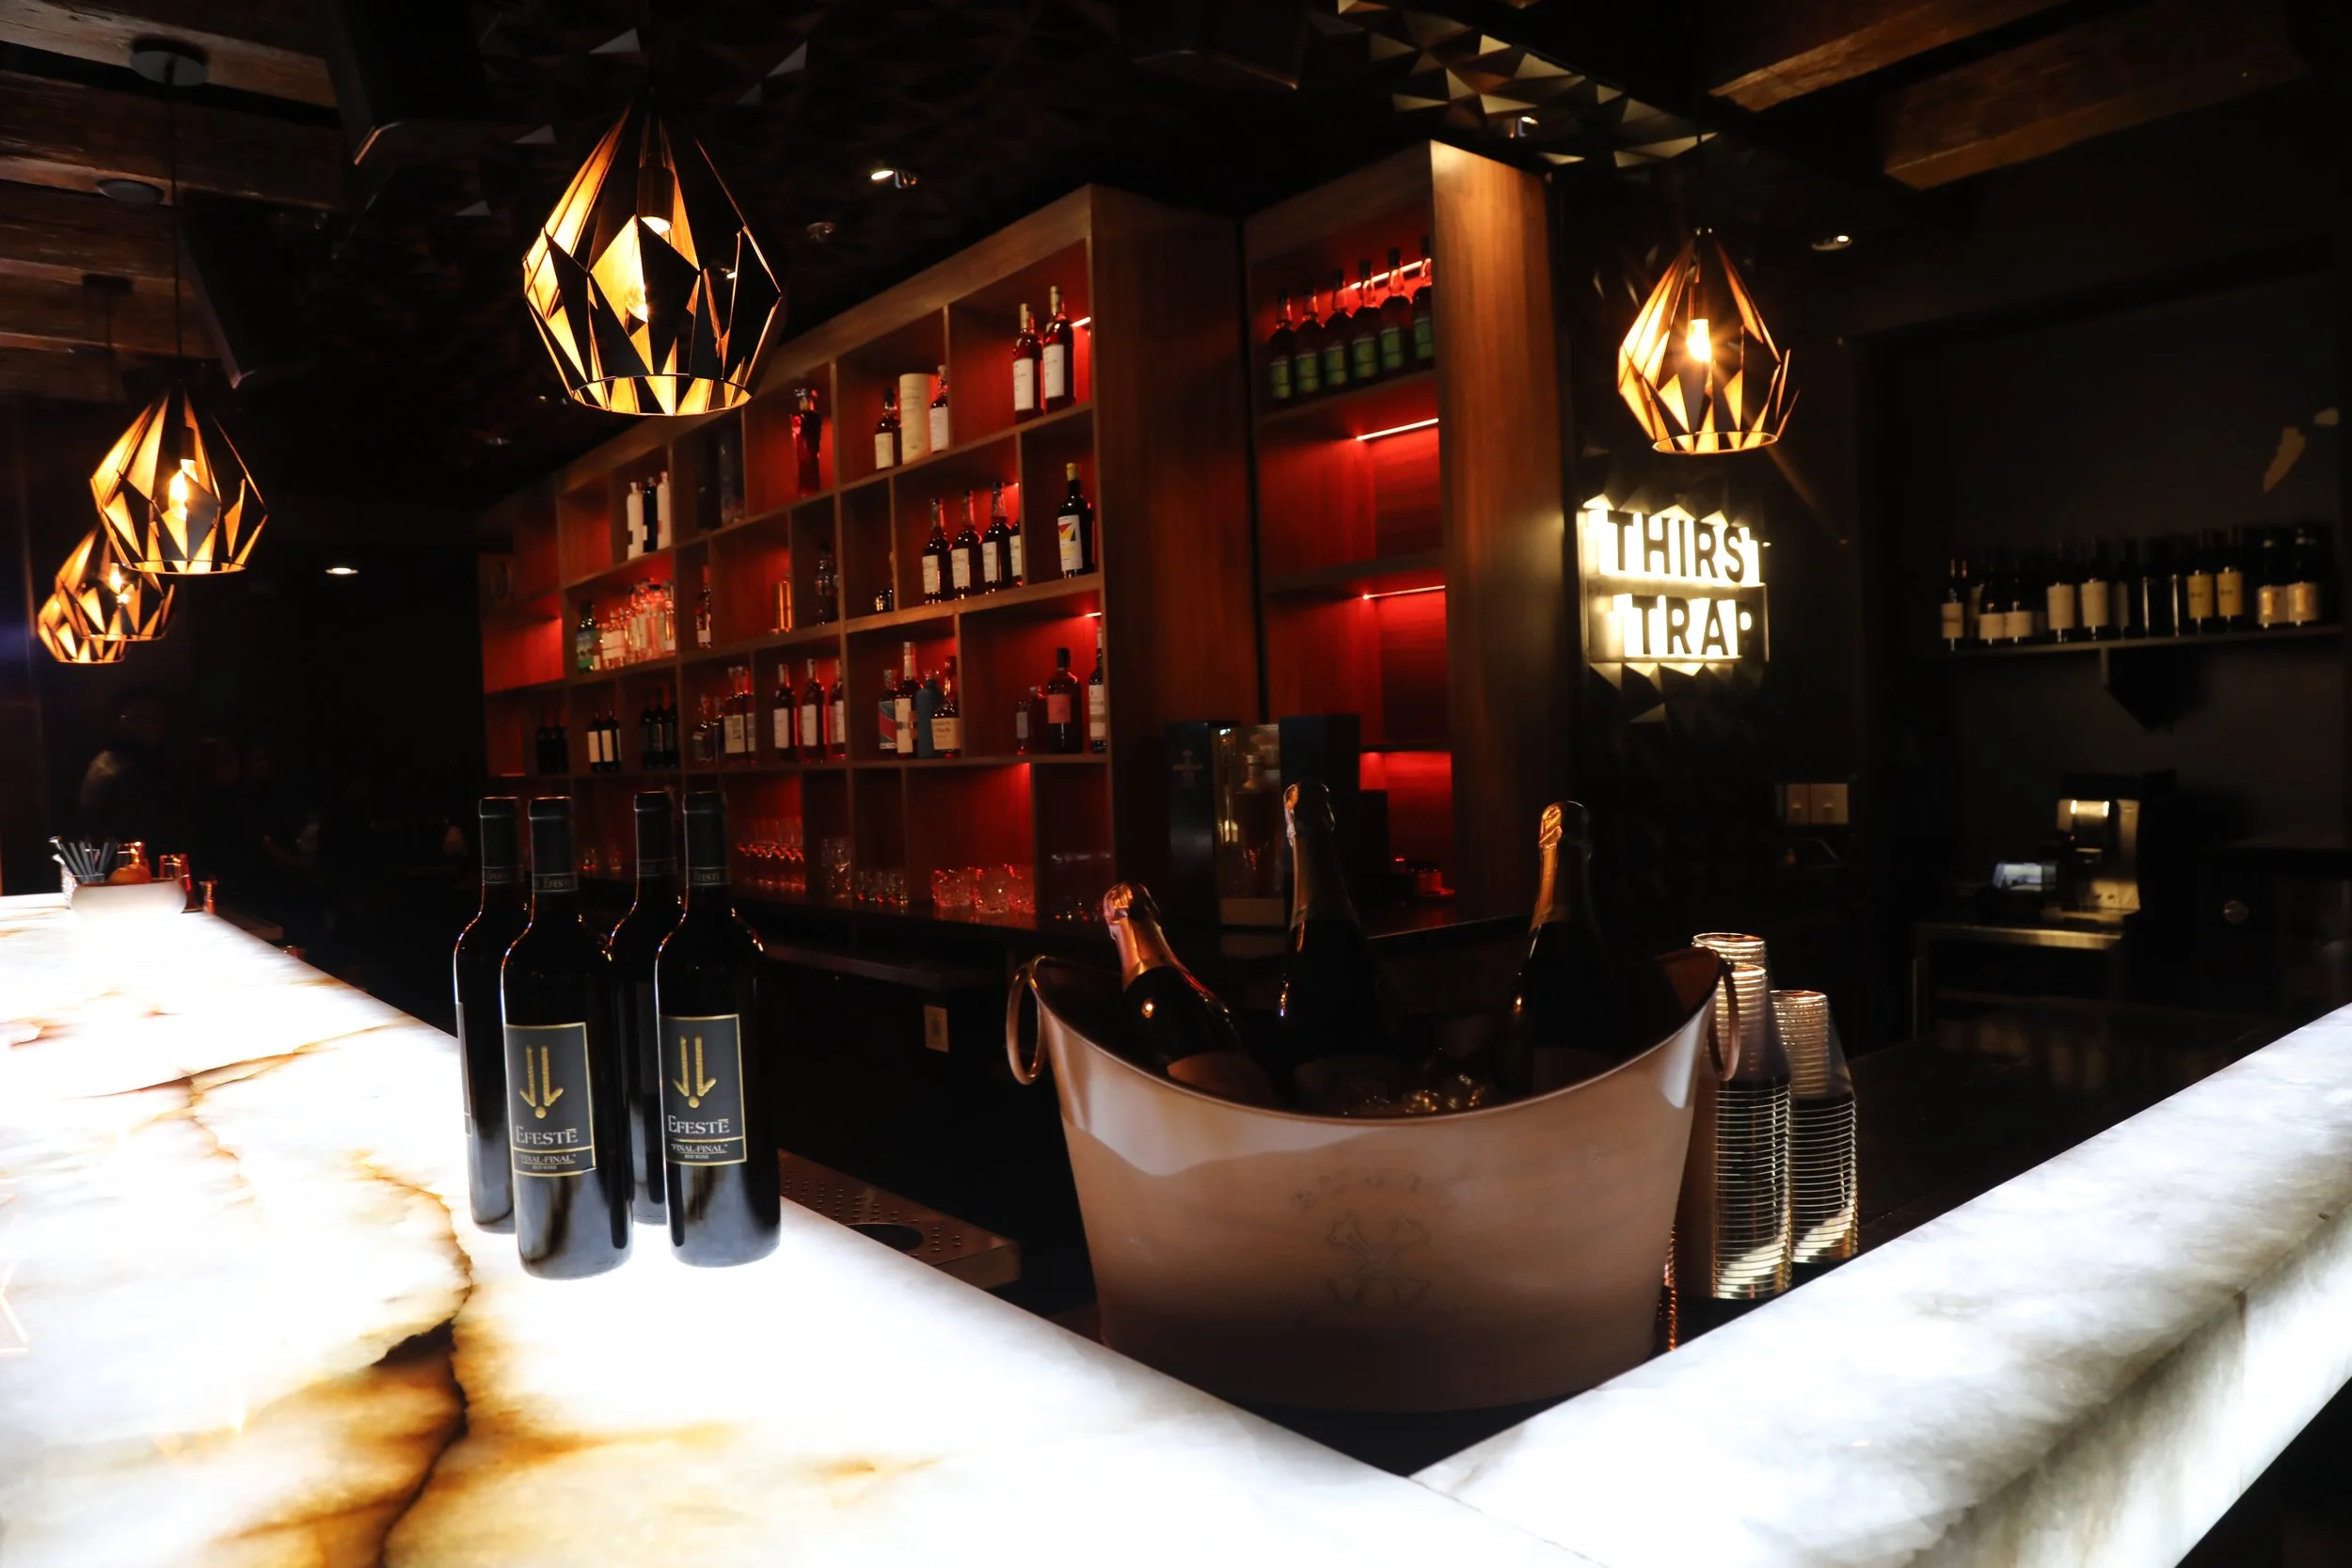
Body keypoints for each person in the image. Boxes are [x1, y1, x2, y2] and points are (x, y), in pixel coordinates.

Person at [78, 690, 180, 849]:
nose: (150, 725)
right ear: (117, 722)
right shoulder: (112, 769)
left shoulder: (147, 764)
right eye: (138, 719)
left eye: (155, 719)